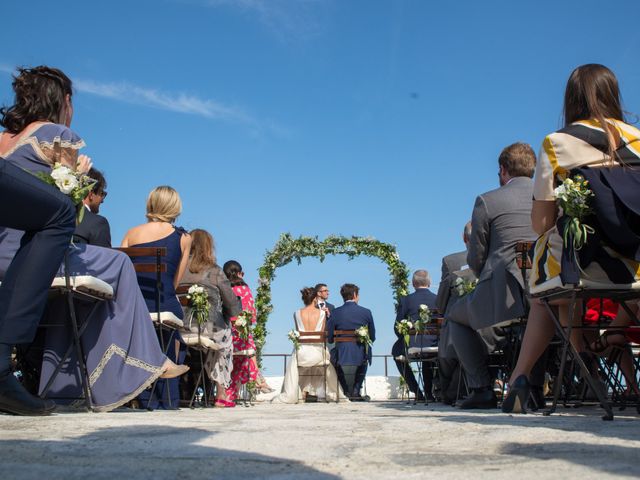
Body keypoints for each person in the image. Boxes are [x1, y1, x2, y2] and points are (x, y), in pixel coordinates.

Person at [0, 66, 186, 412]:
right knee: (115, 262)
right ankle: (142, 364)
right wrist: (78, 177)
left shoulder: (3, 141)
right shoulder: (56, 134)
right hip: (34, 251)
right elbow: (61, 209)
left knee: (87, 274)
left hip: (3, 253)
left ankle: (59, 382)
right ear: (64, 101)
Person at [504, 64, 640, 413]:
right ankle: (587, 356)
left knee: (545, 288)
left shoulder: (558, 143)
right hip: (636, 266)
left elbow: (541, 222)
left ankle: (520, 379)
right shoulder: (638, 140)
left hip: (583, 268)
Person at [446, 142, 537, 409]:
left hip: (504, 289)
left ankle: (481, 387)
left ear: (503, 170)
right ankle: (537, 387)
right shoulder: (550, 195)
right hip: (546, 287)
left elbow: (476, 257)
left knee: (455, 316)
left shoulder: (489, 200)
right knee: (538, 316)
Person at [122, 185, 192, 409]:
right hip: (164, 306)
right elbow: (174, 283)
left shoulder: (131, 234)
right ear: (175, 206)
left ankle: (142, 396)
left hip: (134, 307)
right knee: (171, 332)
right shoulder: (183, 238)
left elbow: (123, 274)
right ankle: (167, 400)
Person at [181, 229, 241, 407]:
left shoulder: (180, 268)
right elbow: (231, 304)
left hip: (180, 327)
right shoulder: (214, 271)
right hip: (209, 329)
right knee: (227, 337)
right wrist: (232, 313)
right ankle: (221, 393)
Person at [272, 287, 346, 403]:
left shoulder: (296, 313)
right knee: (326, 361)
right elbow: (321, 335)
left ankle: (298, 392)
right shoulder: (322, 313)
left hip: (302, 354)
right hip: (318, 354)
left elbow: (298, 333)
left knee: (294, 360)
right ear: (315, 299)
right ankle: (330, 392)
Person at [436, 223, 475, 405]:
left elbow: (442, 302)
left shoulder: (450, 262)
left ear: (464, 238)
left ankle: (449, 393)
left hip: (456, 322)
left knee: (448, 355)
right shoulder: (497, 258)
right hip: (491, 326)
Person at [392, 270, 437, 401]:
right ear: (429, 282)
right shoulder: (438, 299)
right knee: (428, 359)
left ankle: (417, 391)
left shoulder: (406, 300)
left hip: (414, 343)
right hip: (436, 343)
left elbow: (397, 327)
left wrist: (404, 337)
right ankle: (430, 392)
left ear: (413, 283)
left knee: (396, 353)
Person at [326, 283, 376, 401]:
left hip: (341, 353)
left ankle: (345, 390)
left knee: (333, 360)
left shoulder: (335, 312)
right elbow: (372, 336)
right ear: (354, 295)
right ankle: (356, 390)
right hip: (360, 351)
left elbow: (330, 338)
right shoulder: (366, 312)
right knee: (365, 357)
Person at [222, 260, 263, 401]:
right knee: (246, 354)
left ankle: (229, 394)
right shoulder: (244, 289)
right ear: (238, 273)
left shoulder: (223, 288)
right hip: (240, 337)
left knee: (238, 360)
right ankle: (257, 377)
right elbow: (251, 316)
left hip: (224, 336)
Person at [73, 167, 111, 247]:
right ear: (91, 194)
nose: (102, 200)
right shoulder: (98, 223)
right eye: (101, 193)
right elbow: (104, 257)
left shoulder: (56, 216)